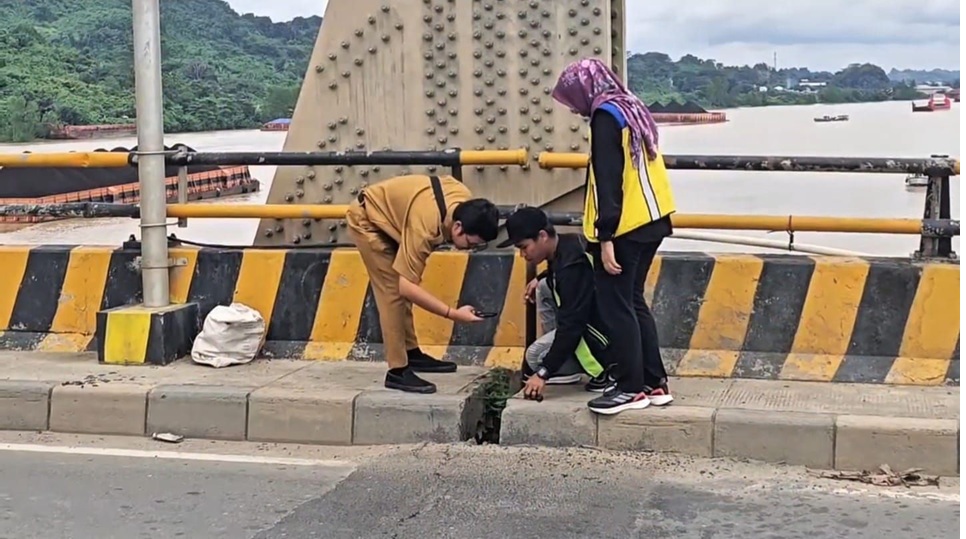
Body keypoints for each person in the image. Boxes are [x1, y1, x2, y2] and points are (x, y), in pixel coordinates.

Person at [551, 58, 676, 415]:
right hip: (654, 221)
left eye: (572, 97)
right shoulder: (630, 107)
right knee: (633, 302)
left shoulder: (606, 117)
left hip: (625, 227)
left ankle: (630, 388)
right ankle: (654, 382)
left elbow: (609, 180)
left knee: (615, 306)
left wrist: (605, 238)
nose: (574, 107)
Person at [346, 174, 500, 394]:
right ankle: (397, 370)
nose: (470, 249)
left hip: (396, 221)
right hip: (368, 221)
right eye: (471, 243)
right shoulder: (425, 228)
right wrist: (453, 314)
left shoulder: (463, 200)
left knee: (408, 279)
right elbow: (406, 287)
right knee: (393, 294)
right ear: (458, 228)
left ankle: (411, 352)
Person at [497, 206, 617, 401]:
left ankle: (602, 371)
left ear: (542, 236)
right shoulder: (569, 244)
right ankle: (564, 363)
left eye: (524, 247)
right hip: (595, 323)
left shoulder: (571, 268)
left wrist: (543, 373)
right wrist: (544, 276)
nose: (523, 255)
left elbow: (572, 325)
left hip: (602, 344)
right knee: (544, 286)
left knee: (535, 356)